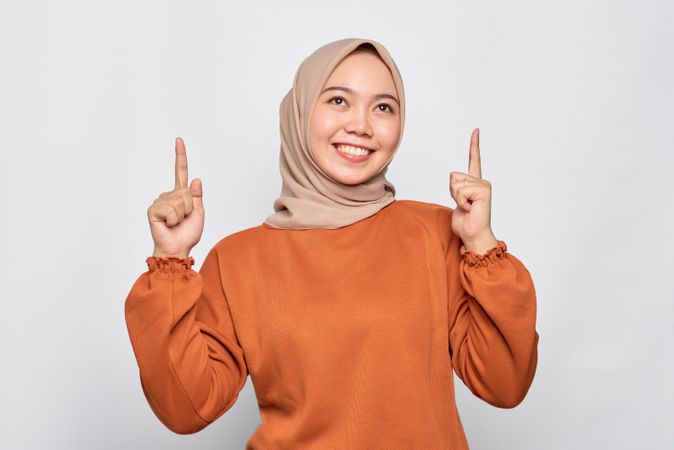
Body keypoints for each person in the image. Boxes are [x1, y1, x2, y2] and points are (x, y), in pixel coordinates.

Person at [125, 37, 539, 449]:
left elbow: (505, 385)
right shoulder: (237, 260)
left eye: (383, 107)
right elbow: (186, 408)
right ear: (300, 112)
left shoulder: (435, 233)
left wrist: (482, 246)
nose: (361, 124)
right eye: (338, 101)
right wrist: (170, 260)